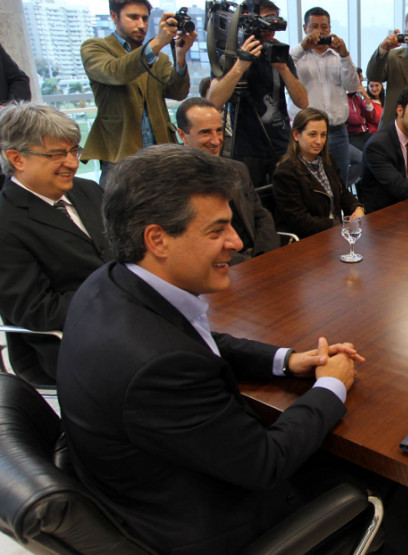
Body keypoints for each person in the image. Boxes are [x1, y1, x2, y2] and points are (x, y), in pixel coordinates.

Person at [56, 144, 365, 554]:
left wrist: (287, 360)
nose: (237, 242)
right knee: (373, 474)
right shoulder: (158, 369)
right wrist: (331, 386)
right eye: (216, 230)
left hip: (148, 479)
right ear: (157, 239)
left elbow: (194, 340)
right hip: (214, 523)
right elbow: (265, 462)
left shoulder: (109, 282)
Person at [0, 102, 110, 386]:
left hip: (126, 319)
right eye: (57, 154)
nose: (73, 163)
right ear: (17, 158)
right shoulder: (5, 220)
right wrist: (121, 296)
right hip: (67, 343)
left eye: (74, 151)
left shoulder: (89, 190)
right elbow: (36, 310)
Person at [81, 0, 193, 187]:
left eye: (145, 18)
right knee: (121, 212)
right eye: (133, 17)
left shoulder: (159, 57)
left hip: (160, 153)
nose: (141, 25)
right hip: (119, 152)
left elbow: (178, 92)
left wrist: (181, 57)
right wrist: (156, 43)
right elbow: (116, 72)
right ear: (114, 17)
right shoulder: (95, 48)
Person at [208, 1, 309, 190]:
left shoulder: (278, 53)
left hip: (281, 144)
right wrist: (241, 64)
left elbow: (303, 101)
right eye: (268, 20)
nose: (272, 28)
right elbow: (213, 102)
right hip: (247, 148)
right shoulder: (231, 54)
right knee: (251, 205)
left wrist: (283, 69)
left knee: (288, 199)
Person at [175, 97, 279, 264]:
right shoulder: (175, 184)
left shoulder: (238, 170)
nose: (216, 141)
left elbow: (261, 215)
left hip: (259, 260)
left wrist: (264, 257)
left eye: (219, 130)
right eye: (205, 132)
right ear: (183, 135)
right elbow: (195, 243)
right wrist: (246, 266)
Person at [289, 6, 359, 181]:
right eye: (314, 27)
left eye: (324, 27)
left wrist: (344, 54)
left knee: (339, 181)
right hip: (306, 133)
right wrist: (303, 47)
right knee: (307, 182)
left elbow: (352, 86)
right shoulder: (297, 55)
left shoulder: (338, 56)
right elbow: (283, 69)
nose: (319, 31)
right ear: (305, 29)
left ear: (330, 29)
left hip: (337, 132)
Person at [273, 108, 364, 239]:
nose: (319, 141)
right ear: (296, 135)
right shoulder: (285, 173)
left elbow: (342, 192)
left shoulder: (327, 161)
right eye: (312, 134)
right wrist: (339, 225)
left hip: (334, 234)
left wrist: (357, 208)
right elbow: (300, 222)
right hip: (308, 240)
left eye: (323, 135)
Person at [346, 77, 381, 149]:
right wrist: (364, 119)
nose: (361, 86)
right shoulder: (344, 98)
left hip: (365, 133)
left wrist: (366, 97)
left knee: (382, 147)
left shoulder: (358, 98)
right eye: (360, 82)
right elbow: (354, 120)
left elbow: (371, 117)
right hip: (353, 135)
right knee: (365, 154)